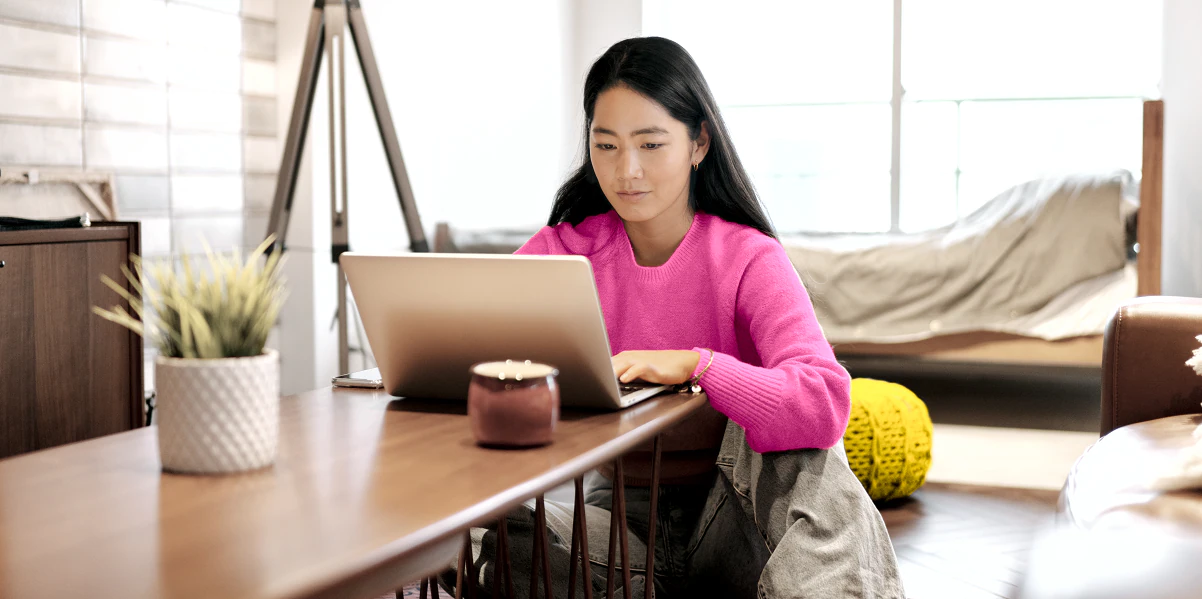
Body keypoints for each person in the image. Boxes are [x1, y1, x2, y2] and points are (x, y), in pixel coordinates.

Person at [452, 36, 903, 598]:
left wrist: (700, 366)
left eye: (651, 144)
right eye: (607, 145)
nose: (627, 170)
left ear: (698, 144)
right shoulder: (562, 254)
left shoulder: (747, 256)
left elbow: (824, 402)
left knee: (799, 449)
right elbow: (463, 341)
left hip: (735, 517)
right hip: (616, 530)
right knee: (466, 536)